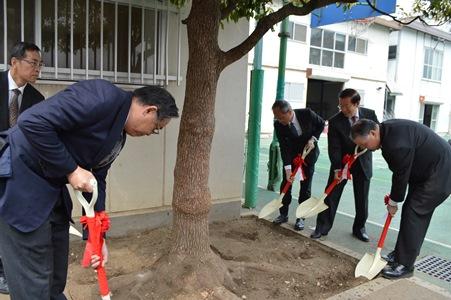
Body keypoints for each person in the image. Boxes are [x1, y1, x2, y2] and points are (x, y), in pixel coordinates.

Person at [0, 79, 179, 299]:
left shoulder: (118, 133)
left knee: (55, 276)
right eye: (156, 128)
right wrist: (72, 169)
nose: (151, 133)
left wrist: (96, 238)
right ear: (150, 110)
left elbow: (96, 182)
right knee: (33, 281)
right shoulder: (101, 96)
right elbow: (32, 122)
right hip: (20, 180)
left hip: (49, 188)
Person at [351, 119, 451, 278]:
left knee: (414, 212)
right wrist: (394, 200)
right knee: (412, 211)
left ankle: (405, 265)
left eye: (364, 143)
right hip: (426, 170)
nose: (364, 148)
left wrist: (393, 202)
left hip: (440, 172)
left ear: (373, 133)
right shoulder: (388, 132)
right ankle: (401, 254)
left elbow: (400, 175)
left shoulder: (396, 144)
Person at [0, 41, 45, 294]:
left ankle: (6, 271)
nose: (38, 69)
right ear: (14, 62)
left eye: (40, 64)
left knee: (7, 217)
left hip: (15, 168)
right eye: (33, 63)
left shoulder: (37, 98)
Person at [311, 88, 379, 242]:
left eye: (346, 106)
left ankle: (359, 228)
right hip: (342, 163)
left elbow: (377, 136)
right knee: (331, 195)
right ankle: (322, 227)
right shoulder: (335, 121)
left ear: (357, 103)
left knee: (362, 198)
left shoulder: (370, 115)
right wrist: (337, 167)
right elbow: (334, 147)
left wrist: (368, 147)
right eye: (340, 106)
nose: (343, 109)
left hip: (363, 162)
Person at [272, 100, 325, 230]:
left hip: (308, 155)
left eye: (281, 117)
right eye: (276, 117)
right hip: (291, 156)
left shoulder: (307, 114)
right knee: (286, 184)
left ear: (290, 112)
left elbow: (321, 124)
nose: (279, 120)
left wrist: (313, 139)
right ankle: (283, 214)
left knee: (305, 188)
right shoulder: (278, 125)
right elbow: (284, 147)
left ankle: (301, 217)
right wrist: (288, 170)